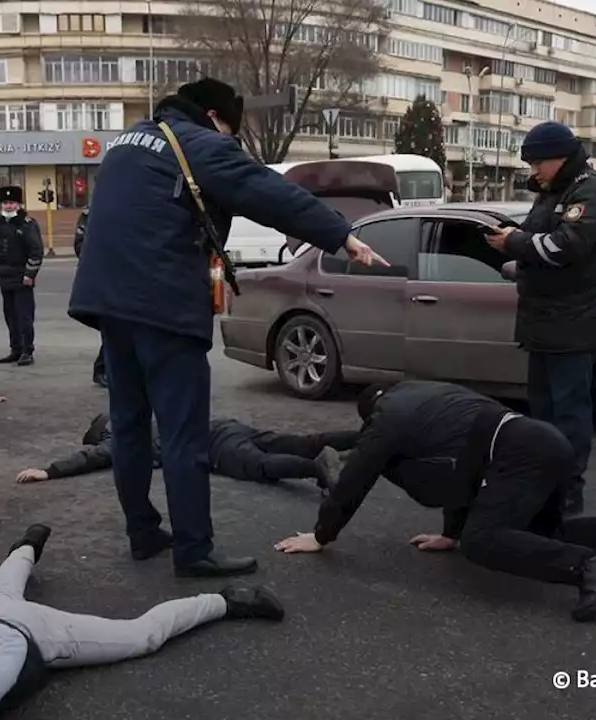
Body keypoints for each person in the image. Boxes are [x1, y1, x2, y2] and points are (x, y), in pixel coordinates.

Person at [68, 77, 387, 579]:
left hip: (108, 306)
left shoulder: (127, 143)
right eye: (231, 131)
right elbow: (269, 192)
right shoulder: (199, 143)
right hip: (164, 308)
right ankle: (195, 550)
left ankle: (143, 533)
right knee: (182, 434)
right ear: (215, 116)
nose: (231, 141)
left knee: (129, 427)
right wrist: (340, 234)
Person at [274, 381, 596, 623]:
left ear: (370, 413)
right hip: (545, 442)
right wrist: (451, 532)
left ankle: (588, 565)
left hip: (516, 455)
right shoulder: (429, 394)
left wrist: (321, 535)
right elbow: (462, 459)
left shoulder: (386, 420)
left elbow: (356, 476)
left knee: (483, 542)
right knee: (537, 534)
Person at [0, 523, 284, 720]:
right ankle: (27, 543)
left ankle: (225, 600)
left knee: (139, 635)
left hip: (25, 634)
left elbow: (14, 650)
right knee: (3, 592)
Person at [483, 121, 596, 516]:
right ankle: (542, 483)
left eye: (537, 163)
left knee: (569, 415)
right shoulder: (552, 193)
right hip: (542, 320)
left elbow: (566, 247)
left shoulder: (589, 191)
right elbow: (534, 238)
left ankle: (568, 491)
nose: (533, 172)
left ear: (559, 156)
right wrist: (509, 241)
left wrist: (514, 242)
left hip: (572, 323)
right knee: (542, 414)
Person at [15, 412, 357, 494]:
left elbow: (94, 457)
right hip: (221, 425)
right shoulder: (139, 414)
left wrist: (51, 471)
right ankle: (366, 436)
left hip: (211, 444)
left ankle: (317, 468)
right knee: (296, 440)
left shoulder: (122, 436)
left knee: (261, 466)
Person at [0, 186, 44, 367]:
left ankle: (27, 351)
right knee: (10, 316)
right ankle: (15, 349)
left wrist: (30, 274)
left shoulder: (27, 224)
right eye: (5, 203)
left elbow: (36, 251)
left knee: (24, 317)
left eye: (12, 203)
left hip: (22, 278)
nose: (8, 206)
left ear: (19, 204)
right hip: (3, 278)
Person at [74, 207, 105, 388]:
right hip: (103, 273)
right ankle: (101, 370)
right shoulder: (91, 213)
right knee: (114, 326)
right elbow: (80, 244)